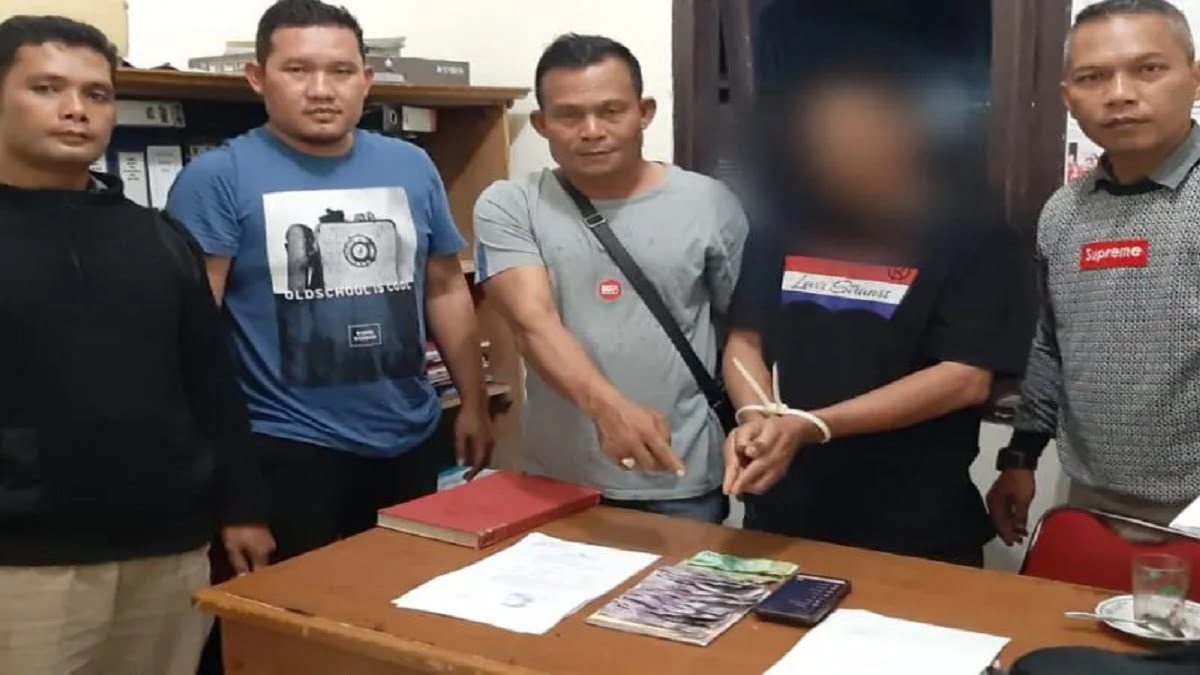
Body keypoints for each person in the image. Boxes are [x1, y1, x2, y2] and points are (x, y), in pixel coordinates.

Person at [0, 15, 268, 675]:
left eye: (96, 94)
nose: (76, 109)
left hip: (166, 551)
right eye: (46, 88)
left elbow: (210, 380)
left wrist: (241, 506)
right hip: (26, 565)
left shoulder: (159, 237)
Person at [722, 69, 1031, 566]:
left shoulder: (975, 234)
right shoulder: (781, 226)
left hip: (914, 527)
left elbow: (964, 379)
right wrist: (757, 422)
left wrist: (812, 426)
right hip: (782, 516)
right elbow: (744, 343)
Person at [473, 34, 747, 523]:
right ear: (541, 123)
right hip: (557, 478)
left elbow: (744, 334)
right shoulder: (511, 205)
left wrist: (755, 420)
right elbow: (533, 324)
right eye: (569, 116)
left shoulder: (709, 204)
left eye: (611, 111)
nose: (591, 131)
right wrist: (609, 409)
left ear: (644, 112)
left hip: (679, 477)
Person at [989, 0, 1200, 545]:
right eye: (1093, 77)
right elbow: (1050, 345)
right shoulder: (1064, 212)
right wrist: (1020, 457)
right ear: (1068, 97)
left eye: (1148, 69)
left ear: (1195, 79)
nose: (1120, 93)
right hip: (1089, 500)